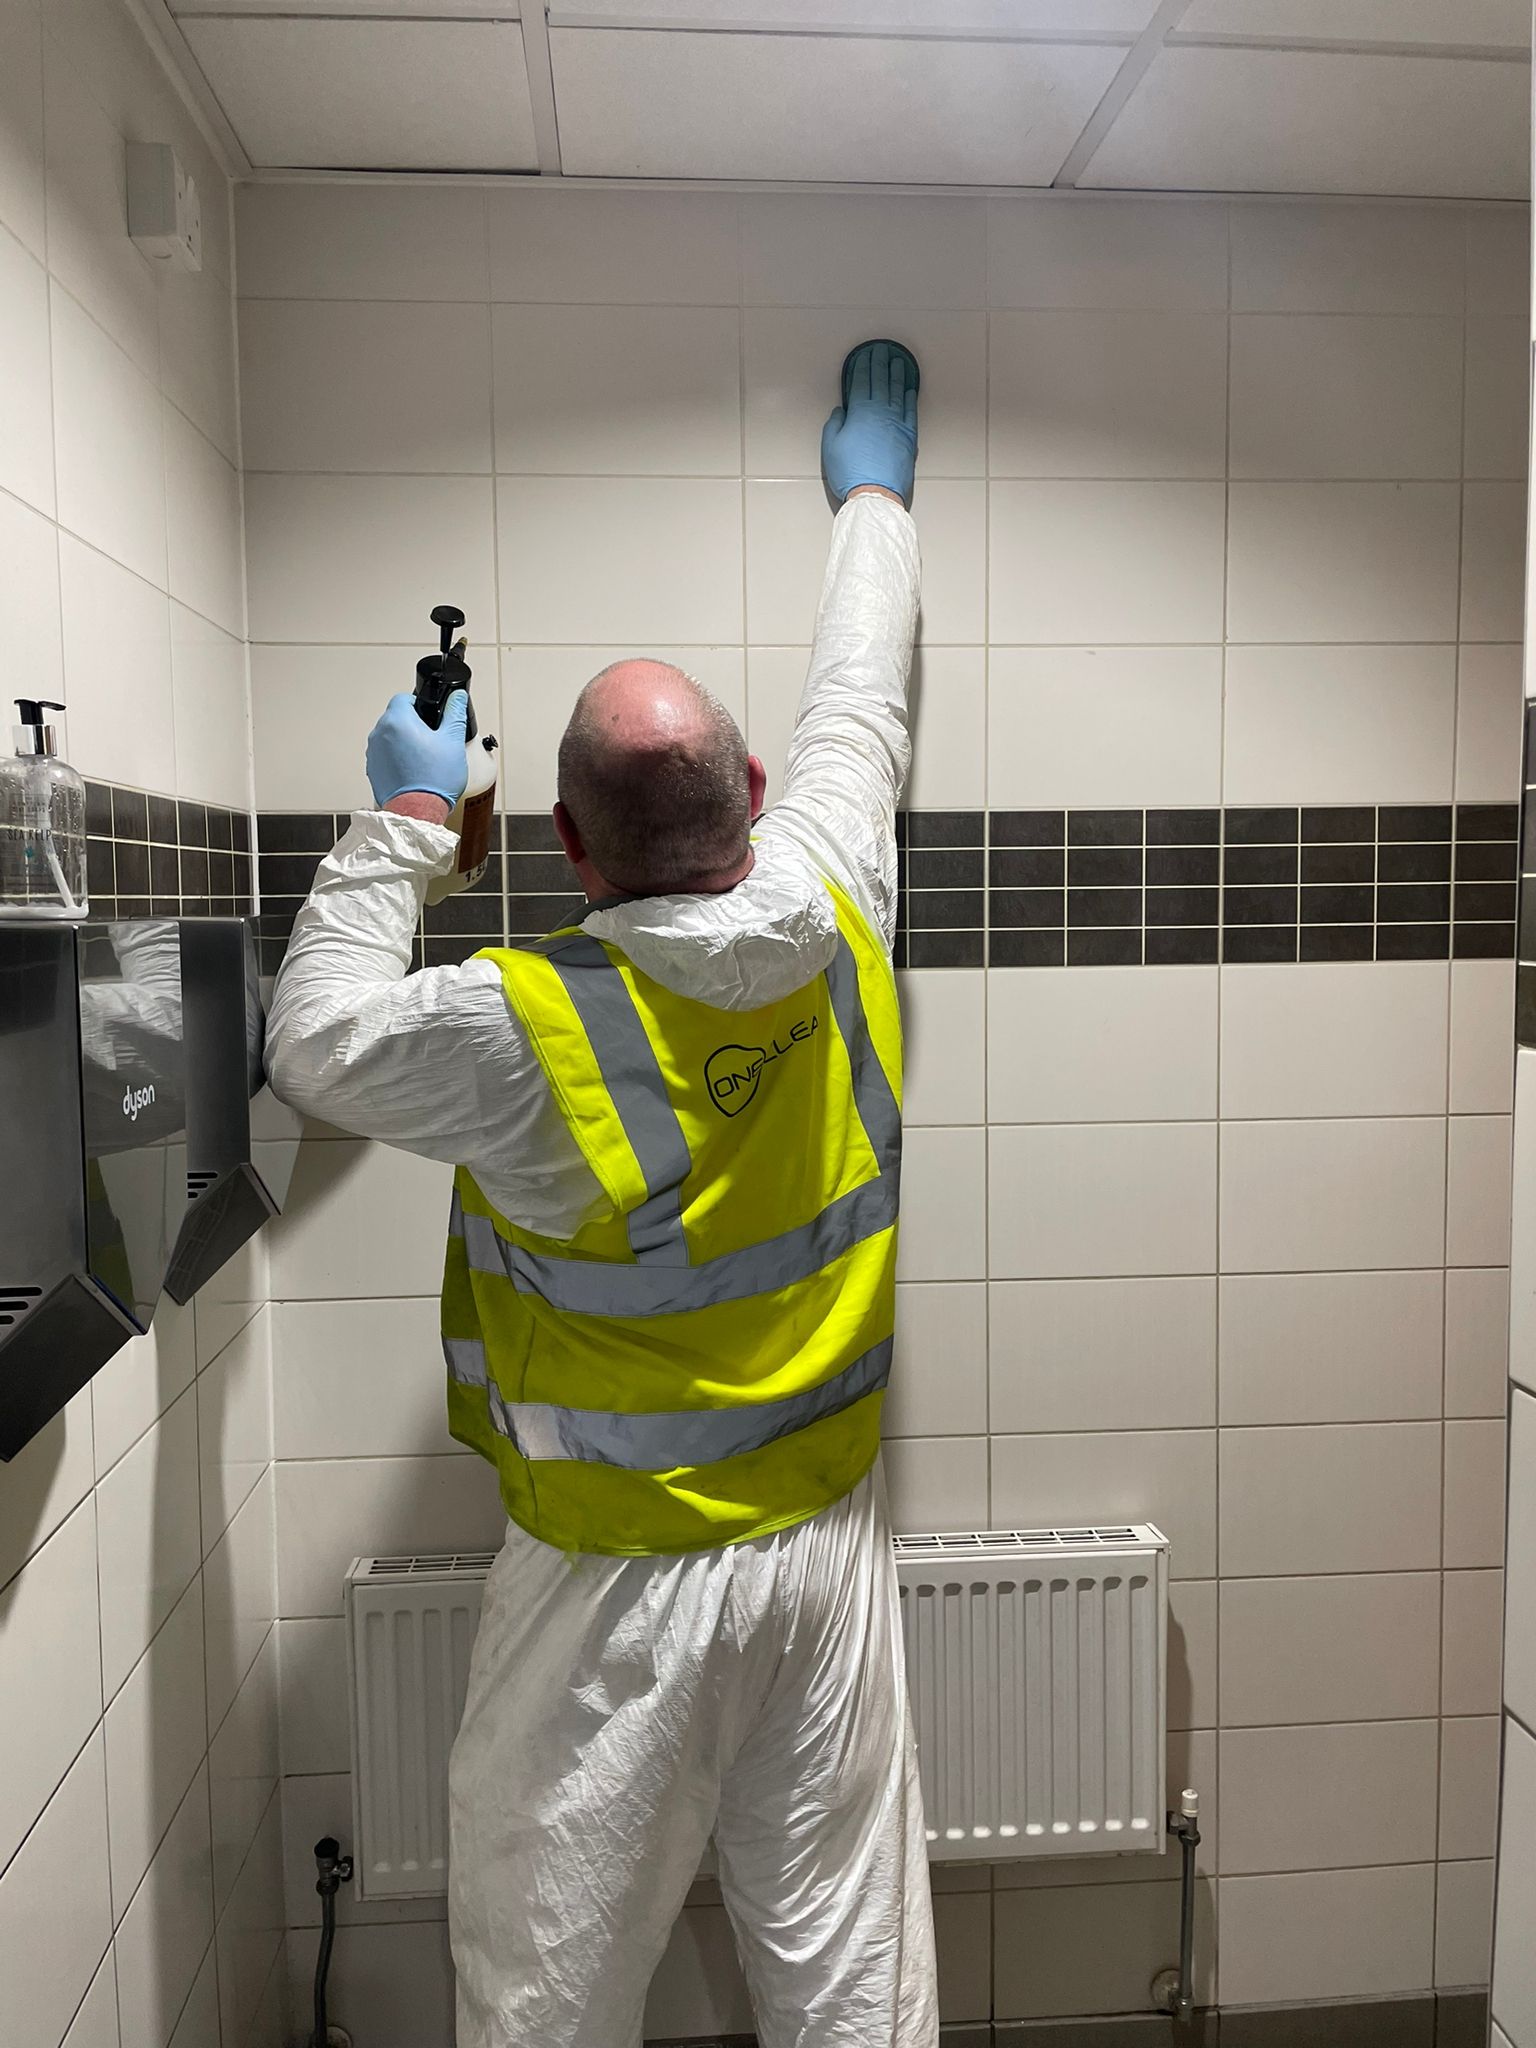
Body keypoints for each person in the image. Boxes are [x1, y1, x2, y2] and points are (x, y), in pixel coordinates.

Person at [265, 341, 932, 2048]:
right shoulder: (839, 885)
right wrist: (872, 497)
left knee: (548, 2002)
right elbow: (861, 696)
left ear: (569, 847)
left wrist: (408, 819)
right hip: (824, 1551)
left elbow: (314, 1046)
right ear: (757, 802)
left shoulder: (526, 1027)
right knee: (853, 1991)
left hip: (616, 1590)